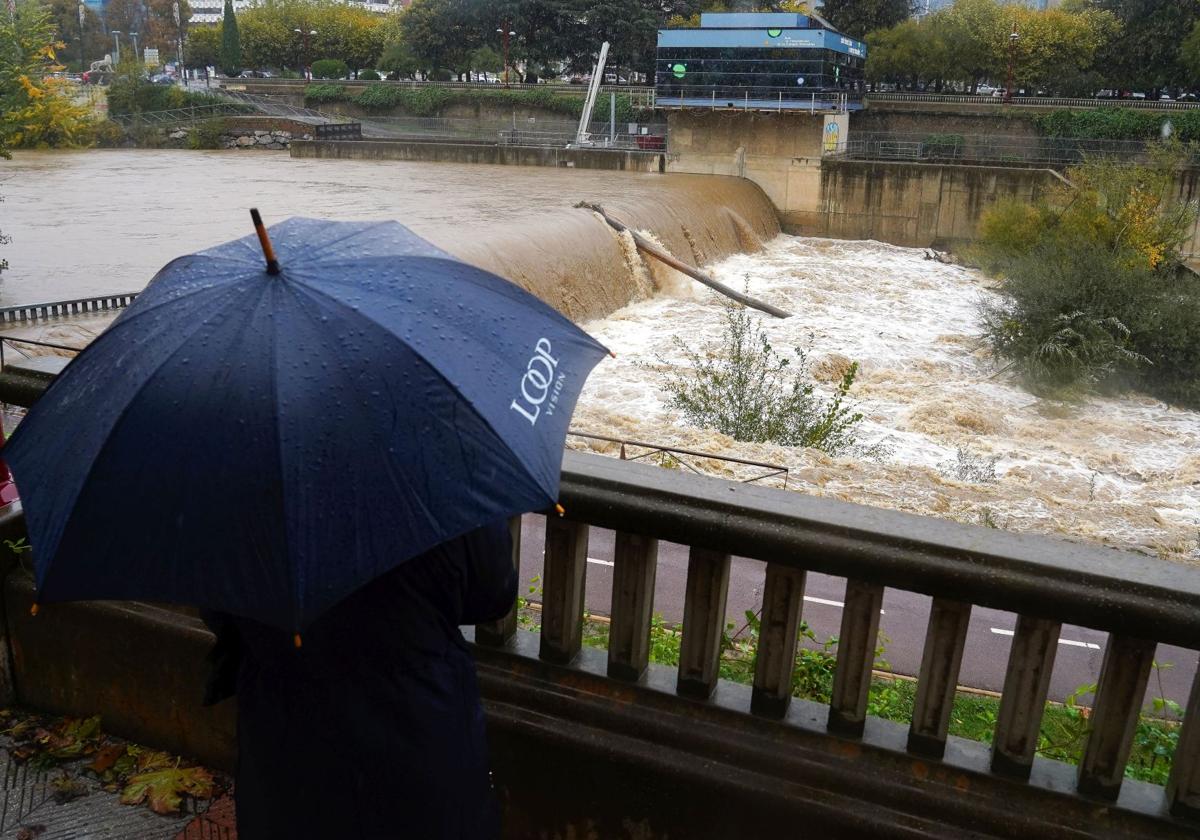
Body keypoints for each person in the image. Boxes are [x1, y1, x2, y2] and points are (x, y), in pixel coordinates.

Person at [203, 520, 517, 839]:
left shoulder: (240, 504)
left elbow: (218, 609)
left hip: (285, 751)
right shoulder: (444, 492)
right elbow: (494, 594)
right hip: (421, 737)